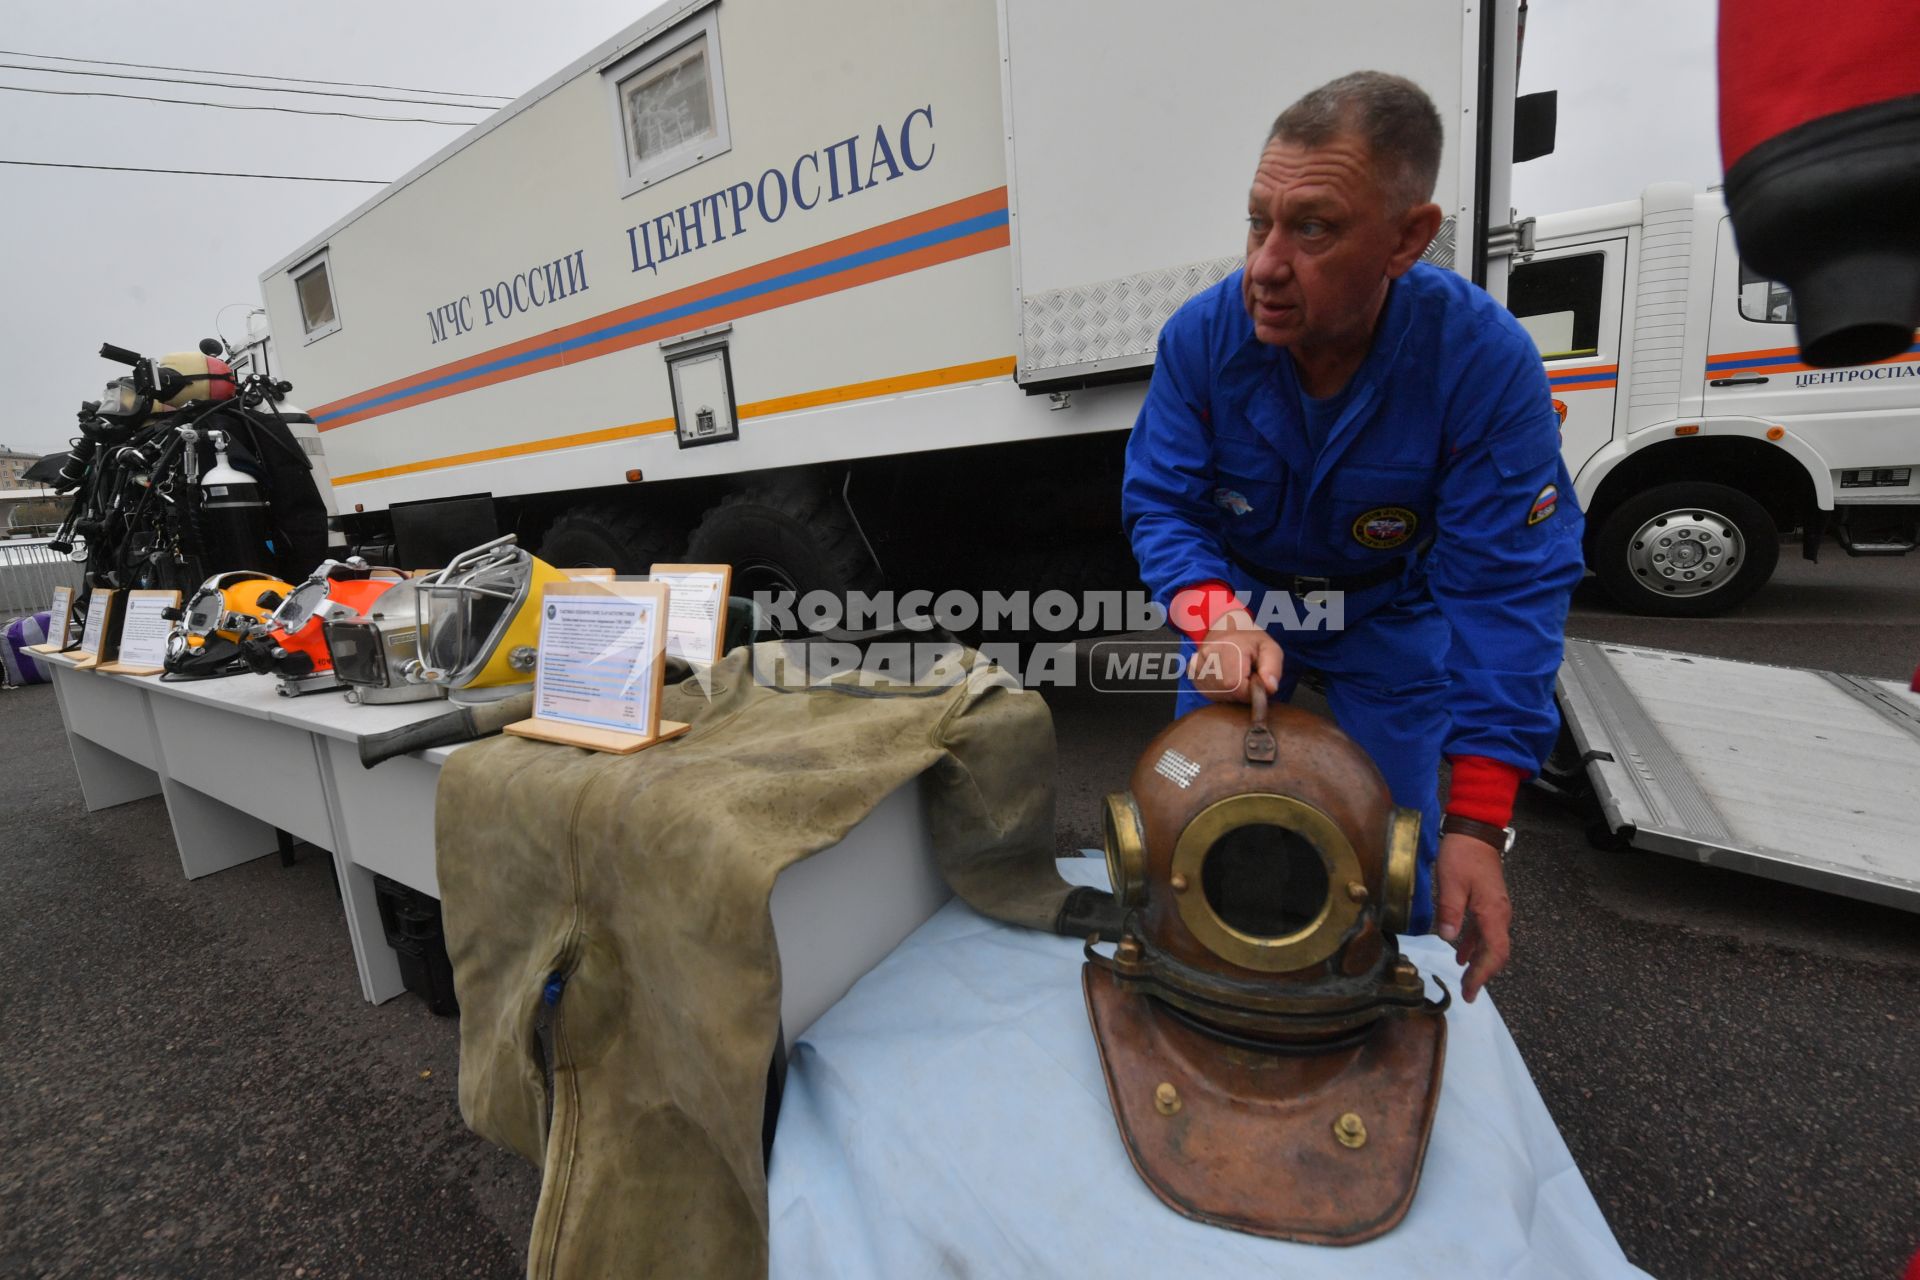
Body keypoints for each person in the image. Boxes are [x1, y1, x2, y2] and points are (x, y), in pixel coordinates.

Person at [1122, 71, 1585, 1002]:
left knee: (1400, 872)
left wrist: (1481, 825)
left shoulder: (1482, 366)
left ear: (1408, 238)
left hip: (1388, 622)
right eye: (1259, 221)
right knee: (1191, 829)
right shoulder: (1202, 341)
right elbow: (1164, 505)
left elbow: (1506, 594)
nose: (1264, 264)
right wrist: (1214, 617)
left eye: (1314, 228)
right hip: (1241, 612)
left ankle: (1368, 1017)